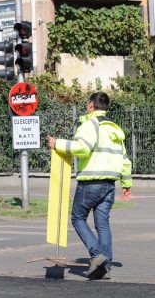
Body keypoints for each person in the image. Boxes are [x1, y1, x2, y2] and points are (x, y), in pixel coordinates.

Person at [46, 92, 132, 280]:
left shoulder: (89, 125)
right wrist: (126, 184)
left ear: (91, 105)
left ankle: (96, 255)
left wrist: (57, 143)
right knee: (102, 224)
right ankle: (105, 265)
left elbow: (82, 148)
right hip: (110, 185)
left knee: (77, 218)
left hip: (90, 183)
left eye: (87, 104)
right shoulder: (114, 129)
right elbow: (125, 161)